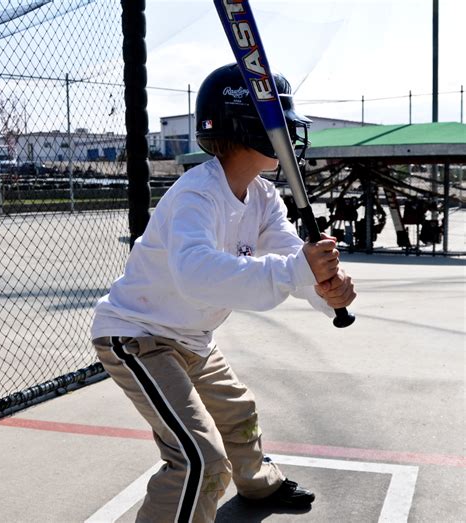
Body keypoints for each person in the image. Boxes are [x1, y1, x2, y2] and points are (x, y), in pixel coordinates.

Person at [91, 63, 356, 523]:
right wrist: (299, 269)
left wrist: (325, 291)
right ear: (245, 126)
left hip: (195, 337)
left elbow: (295, 256)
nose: (290, 135)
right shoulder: (198, 195)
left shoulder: (262, 197)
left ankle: (259, 486)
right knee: (199, 460)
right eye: (279, 125)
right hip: (139, 335)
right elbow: (197, 273)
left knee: (239, 413)